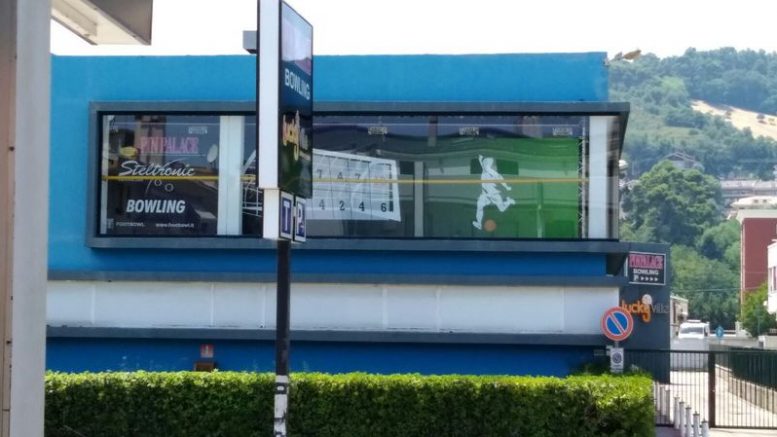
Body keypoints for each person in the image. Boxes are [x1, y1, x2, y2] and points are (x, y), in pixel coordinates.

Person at [472, 154, 515, 230]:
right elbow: (482, 164)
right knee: (479, 206)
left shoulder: (493, 173)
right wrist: (480, 159)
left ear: (489, 164)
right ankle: (479, 223)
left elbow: (501, 179)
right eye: (484, 163)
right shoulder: (484, 169)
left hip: (494, 194)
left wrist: (506, 187)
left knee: (501, 209)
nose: (484, 164)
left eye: (486, 163)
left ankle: (508, 201)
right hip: (485, 194)